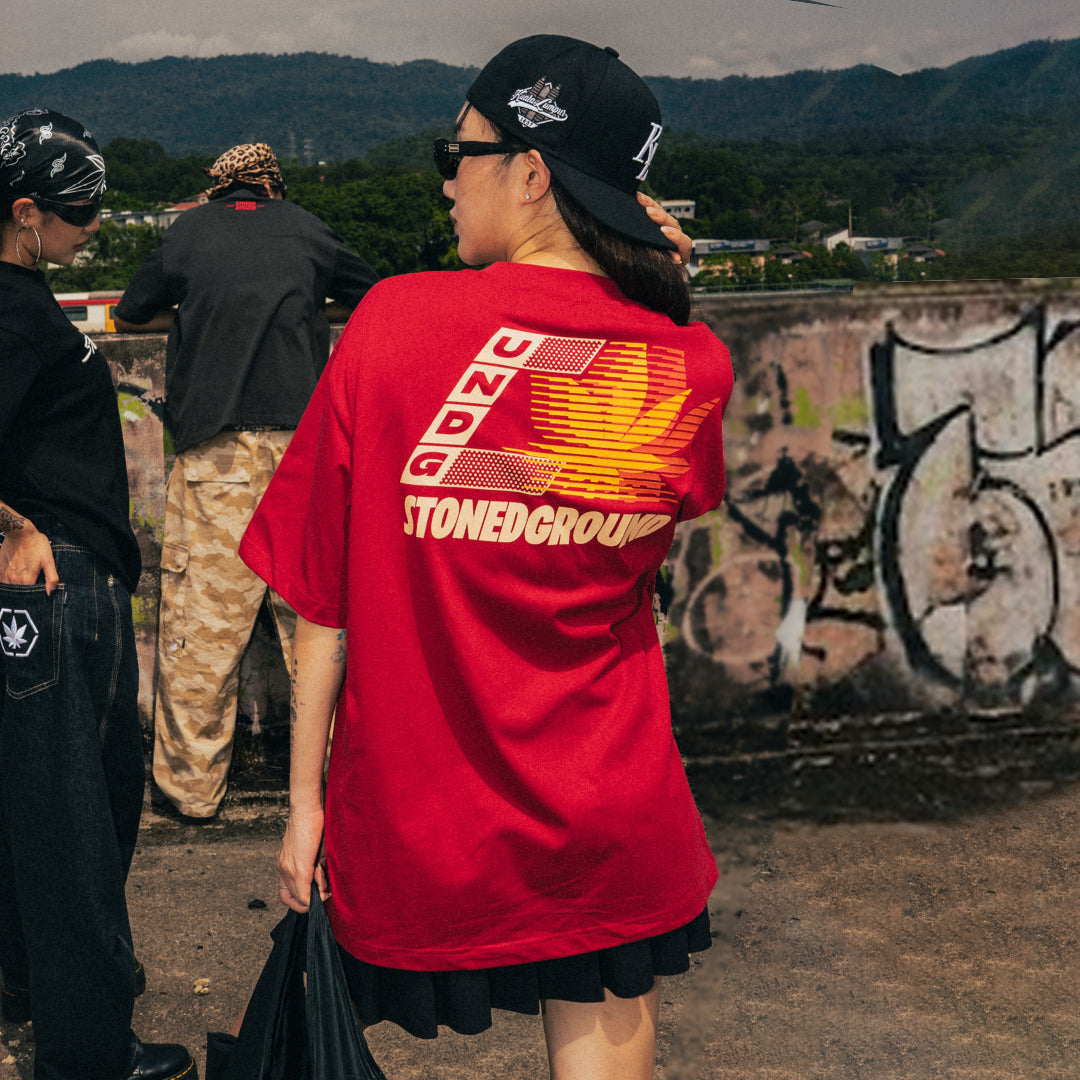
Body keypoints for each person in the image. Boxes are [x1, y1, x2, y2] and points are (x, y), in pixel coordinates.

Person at [239, 35, 733, 1080]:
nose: (447, 178)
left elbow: (323, 599)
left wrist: (303, 809)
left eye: (457, 151)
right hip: (611, 807)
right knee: (603, 1009)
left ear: (532, 170)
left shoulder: (393, 325)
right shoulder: (689, 362)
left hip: (428, 820)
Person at [0, 108, 195, 1080]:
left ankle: (40, 994)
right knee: (79, 819)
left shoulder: (21, 296)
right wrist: (15, 527)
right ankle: (85, 1052)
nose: (93, 226)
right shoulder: (6, 305)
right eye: (80, 212)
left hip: (69, 582)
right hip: (54, 582)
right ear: (25, 210)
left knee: (46, 812)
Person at [114, 144, 379, 821]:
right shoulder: (306, 228)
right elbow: (373, 297)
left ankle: (190, 794)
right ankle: (339, 790)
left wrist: (196, 313)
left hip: (215, 457)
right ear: (273, 184)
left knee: (204, 633)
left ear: (219, 186)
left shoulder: (189, 233)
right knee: (320, 624)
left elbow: (130, 311)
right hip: (305, 453)